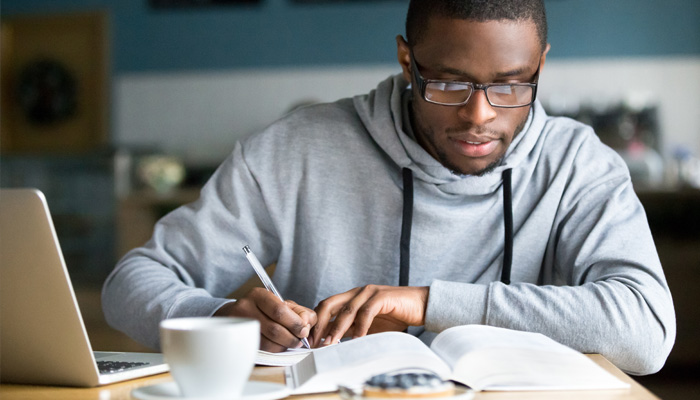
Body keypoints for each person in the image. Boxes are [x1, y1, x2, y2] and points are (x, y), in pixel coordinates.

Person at [102, 0, 675, 375]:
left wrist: (426, 302)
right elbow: (130, 283)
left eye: (510, 85)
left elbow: (646, 331)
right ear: (408, 61)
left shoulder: (577, 164)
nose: (479, 115)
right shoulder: (296, 148)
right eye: (449, 82)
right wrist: (221, 314)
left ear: (540, 65)